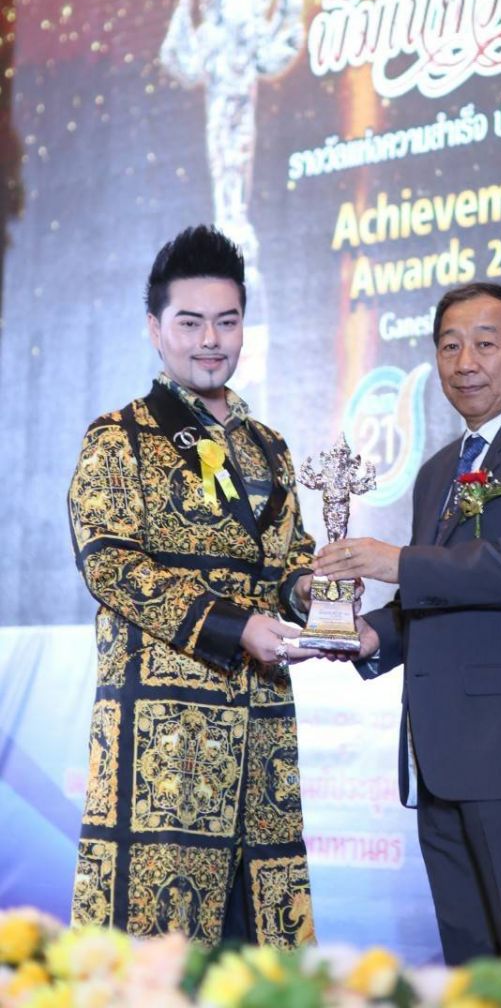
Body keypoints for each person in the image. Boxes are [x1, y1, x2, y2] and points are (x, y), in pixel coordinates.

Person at [315, 282, 501, 965]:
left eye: (485, 343)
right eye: (449, 346)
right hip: (441, 756)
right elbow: (439, 593)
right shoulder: (435, 473)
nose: (464, 362)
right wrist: (371, 635)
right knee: (471, 966)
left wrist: (397, 561)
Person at [68, 225, 316, 947]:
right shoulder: (119, 436)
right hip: (164, 744)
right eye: (190, 322)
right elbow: (110, 564)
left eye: (227, 322)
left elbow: (287, 559)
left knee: (261, 953)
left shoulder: (269, 447)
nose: (211, 340)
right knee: (156, 957)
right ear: (155, 329)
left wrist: (310, 592)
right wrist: (236, 627)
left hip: (261, 730)